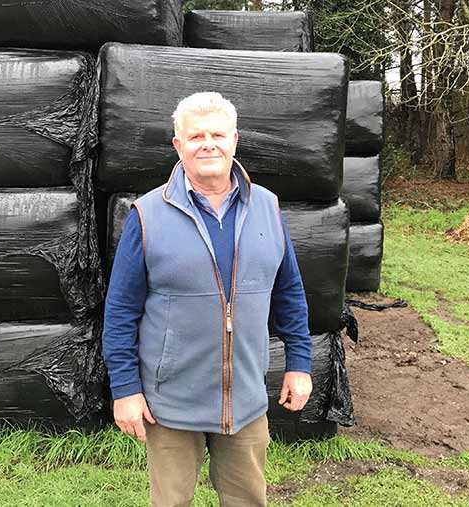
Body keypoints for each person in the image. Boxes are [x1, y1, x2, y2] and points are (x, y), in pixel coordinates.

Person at [102, 91, 313, 507]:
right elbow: (121, 310)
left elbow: (289, 290)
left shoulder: (267, 207)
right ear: (178, 146)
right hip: (170, 402)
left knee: (248, 500)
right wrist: (125, 389)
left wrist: (300, 364)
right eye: (195, 135)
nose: (208, 143)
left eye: (217, 133)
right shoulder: (147, 214)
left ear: (235, 140)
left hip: (246, 398)